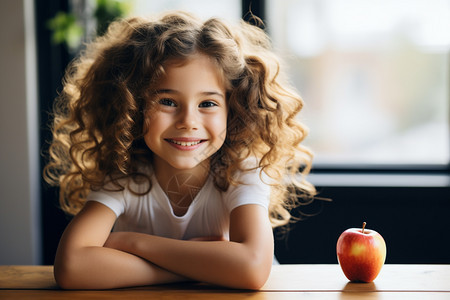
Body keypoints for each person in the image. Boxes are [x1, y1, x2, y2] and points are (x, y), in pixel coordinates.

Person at [44, 11, 316, 290]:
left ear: (233, 110)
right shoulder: (124, 175)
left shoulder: (242, 170)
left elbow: (252, 268)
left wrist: (132, 243)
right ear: (133, 107)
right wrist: (204, 270)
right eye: (167, 101)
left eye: (207, 104)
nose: (188, 122)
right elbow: (71, 267)